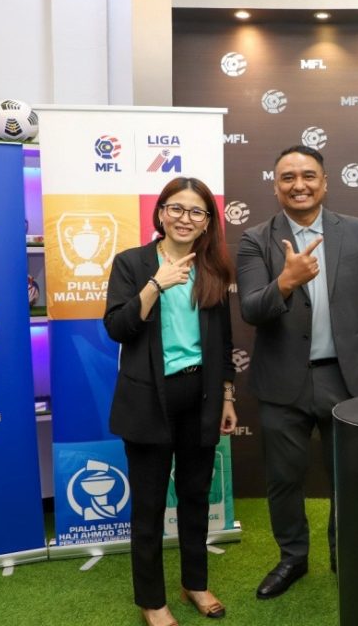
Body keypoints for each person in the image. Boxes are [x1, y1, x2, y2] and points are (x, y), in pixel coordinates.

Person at [236, 145, 358, 599]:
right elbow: (251, 309)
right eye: (288, 177)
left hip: (348, 379)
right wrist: (286, 281)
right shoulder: (255, 239)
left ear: (324, 182)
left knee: (350, 478)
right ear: (275, 186)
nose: (298, 185)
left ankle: (348, 557)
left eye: (308, 176)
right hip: (283, 381)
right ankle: (292, 558)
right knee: (284, 478)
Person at [104, 177, 237, 626]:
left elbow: (223, 342)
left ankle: (195, 583)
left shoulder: (213, 268)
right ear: (160, 213)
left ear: (207, 222)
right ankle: (152, 600)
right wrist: (155, 285)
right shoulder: (132, 263)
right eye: (176, 208)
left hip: (201, 395)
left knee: (196, 496)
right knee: (148, 506)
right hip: (149, 399)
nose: (185, 218)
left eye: (196, 211)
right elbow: (117, 328)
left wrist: (227, 395)